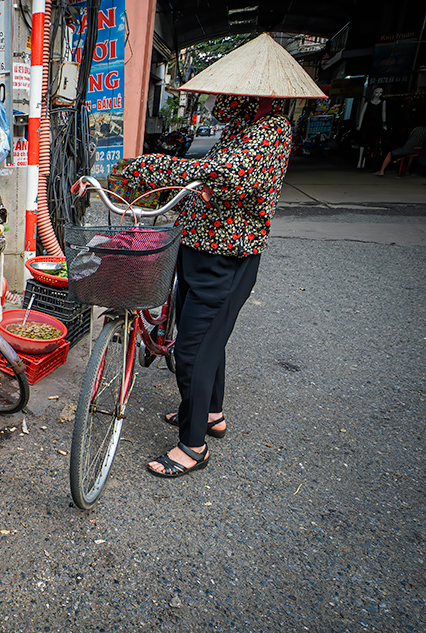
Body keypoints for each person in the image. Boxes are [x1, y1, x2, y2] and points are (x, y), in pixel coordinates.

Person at [113, 33, 327, 478]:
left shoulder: (271, 131)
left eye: (230, 93)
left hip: (225, 260)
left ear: (257, 94)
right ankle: (211, 414)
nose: (222, 101)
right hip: (198, 250)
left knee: (193, 349)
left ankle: (193, 446)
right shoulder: (239, 130)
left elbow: (223, 175)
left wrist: (152, 165)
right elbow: (206, 180)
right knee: (210, 340)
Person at [356, 86, 387, 169]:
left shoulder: (382, 102)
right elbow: (362, 114)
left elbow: (383, 113)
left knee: (372, 143)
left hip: (376, 125)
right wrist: (360, 124)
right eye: (377, 92)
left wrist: (384, 123)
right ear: (373, 93)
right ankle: (360, 160)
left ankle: (365, 161)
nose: (378, 94)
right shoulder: (368, 103)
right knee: (363, 142)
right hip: (367, 125)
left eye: (380, 93)